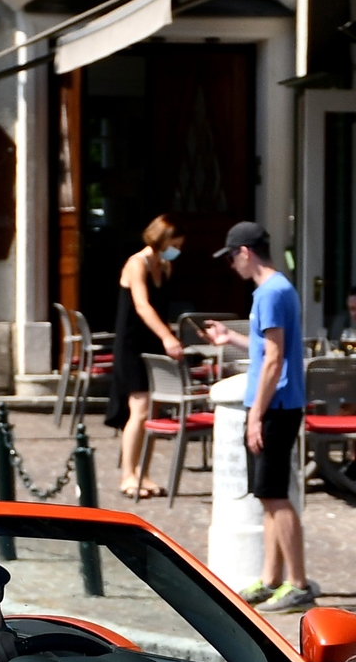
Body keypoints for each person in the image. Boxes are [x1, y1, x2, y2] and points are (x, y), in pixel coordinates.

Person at [203, 222, 316, 613]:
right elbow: (264, 346)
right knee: (268, 495)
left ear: (246, 252)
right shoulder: (276, 290)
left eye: (233, 256)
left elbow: (273, 359)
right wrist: (229, 338)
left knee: (275, 495)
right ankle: (271, 579)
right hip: (278, 403)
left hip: (276, 406)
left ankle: (298, 582)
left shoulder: (270, 292)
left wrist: (256, 417)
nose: (232, 264)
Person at [105, 216, 185, 499]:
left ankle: (145, 473)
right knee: (139, 408)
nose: (177, 249)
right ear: (161, 239)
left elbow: (162, 308)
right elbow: (141, 305)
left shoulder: (165, 266)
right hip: (132, 344)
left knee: (154, 410)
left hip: (153, 343)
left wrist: (169, 335)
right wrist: (167, 336)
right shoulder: (136, 263)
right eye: (174, 244)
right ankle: (128, 474)